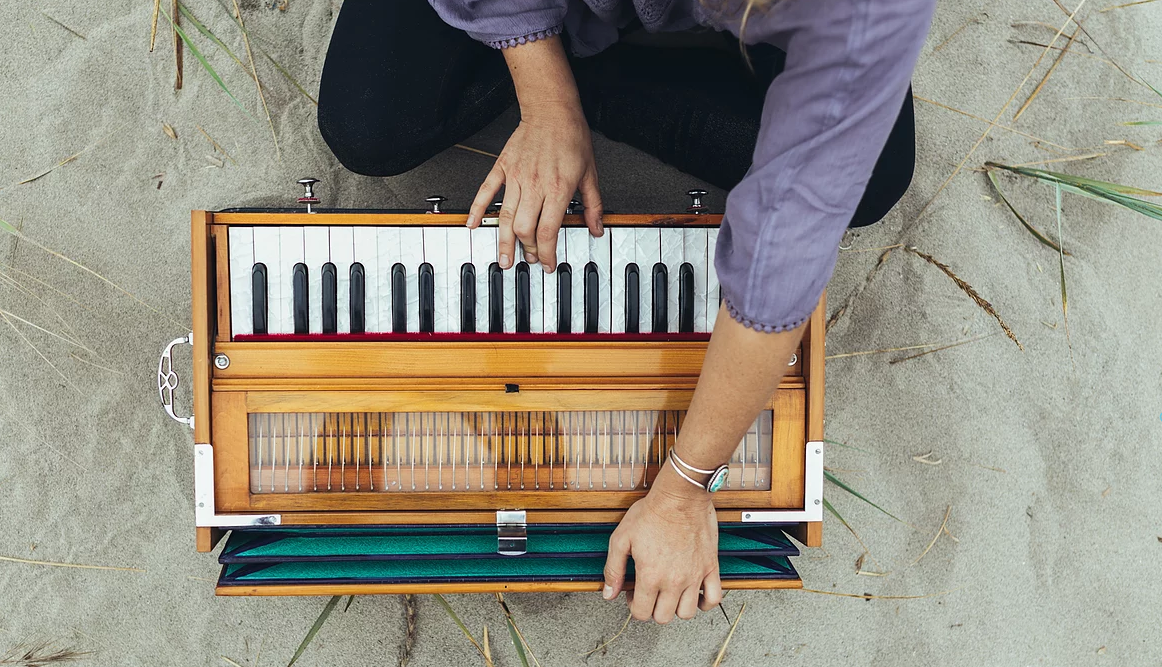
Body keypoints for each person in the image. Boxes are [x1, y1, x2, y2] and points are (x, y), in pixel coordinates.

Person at [318, 0, 935, 624]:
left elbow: (777, 270)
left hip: (772, 35)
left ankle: (590, 83)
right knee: (367, 124)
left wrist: (684, 488)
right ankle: (570, 78)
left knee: (875, 172)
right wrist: (543, 94)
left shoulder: (872, 15)